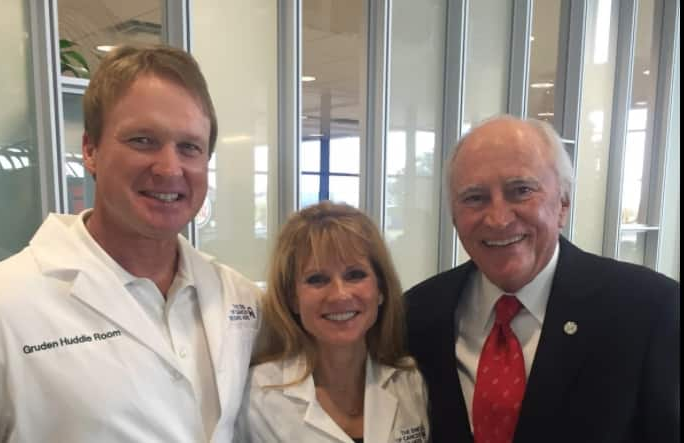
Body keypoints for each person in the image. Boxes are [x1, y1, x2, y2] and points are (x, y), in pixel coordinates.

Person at [0, 45, 261, 443]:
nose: (169, 168)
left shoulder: (238, 299)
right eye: (143, 140)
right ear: (91, 151)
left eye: (190, 147)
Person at [405, 115, 680, 443]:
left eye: (520, 191)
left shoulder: (649, 310)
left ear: (562, 203)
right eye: (475, 198)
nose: (498, 218)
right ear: (454, 214)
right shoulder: (417, 314)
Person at [235, 201, 429, 443]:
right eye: (317, 279)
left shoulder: (410, 382)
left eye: (355, 275)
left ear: (380, 289)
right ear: (292, 299)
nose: (340, 295)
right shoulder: (256, 396)